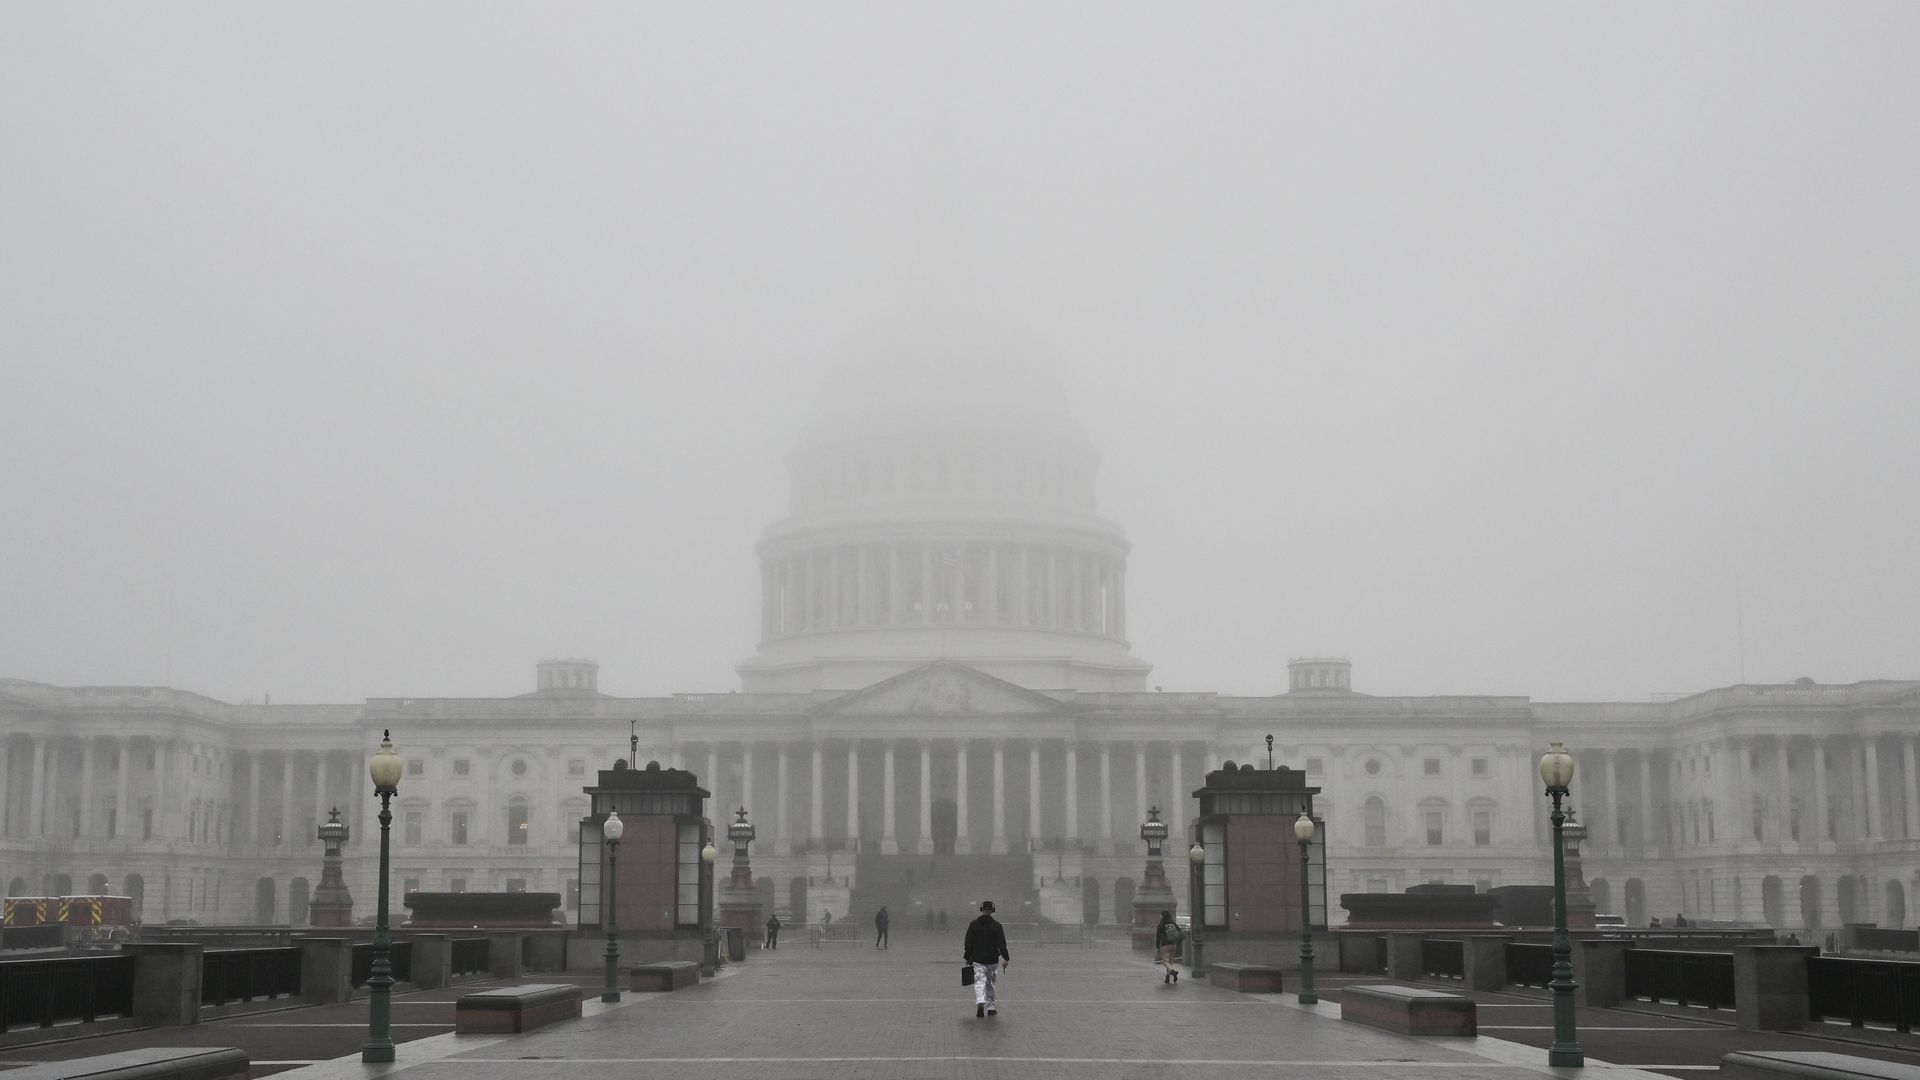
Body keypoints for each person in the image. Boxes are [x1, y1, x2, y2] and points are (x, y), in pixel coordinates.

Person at [963, 899, 1010, 1018]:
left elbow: (968, 942)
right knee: (990, 983)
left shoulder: (974, 924)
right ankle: (991, 1008)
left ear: (982, 910)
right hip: (992, 959)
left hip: (978, 958)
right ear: (992, 911)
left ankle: (980, 1002)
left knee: (979, 982)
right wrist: (1006, 958)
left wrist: (967, 956)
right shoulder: (997, 926)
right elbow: (1002, 943)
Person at [1155, 910, 1181, 983]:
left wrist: (1157, 947)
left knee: (1165, 962)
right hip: (1173, 944)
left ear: (1163, 916)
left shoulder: (1161, 925)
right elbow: (1179, 931)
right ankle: (1168, 977)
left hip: (1165, 945)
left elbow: (1158, 937)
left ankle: (1173, 972)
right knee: (1170, 962)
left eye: (1161, 915)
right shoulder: (1173, 923)